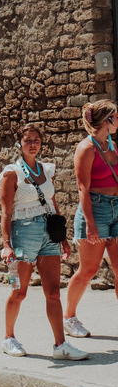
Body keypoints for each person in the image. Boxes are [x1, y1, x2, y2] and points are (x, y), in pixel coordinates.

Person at [0, 124, 88, 360]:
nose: (32, 144)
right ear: (19, 143)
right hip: (23, 234)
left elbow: (52, 203)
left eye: (36, 139)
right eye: (27, 140)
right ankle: (8, 338)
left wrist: (63, 238)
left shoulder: (47, 170)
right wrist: (6, 244)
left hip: (48, 235)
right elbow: (6, 212)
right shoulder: (11, 173)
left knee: (54, 293)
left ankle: (61, 345)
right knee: (19, 292)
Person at [64, 100, 118, 338]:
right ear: (108, 120)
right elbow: (82, 188)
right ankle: (69, 317)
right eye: (116, 116)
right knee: (88, 270)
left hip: (116, 208)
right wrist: (90, 223)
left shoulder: (112, 145)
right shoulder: (87, 148)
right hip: (95, 211)